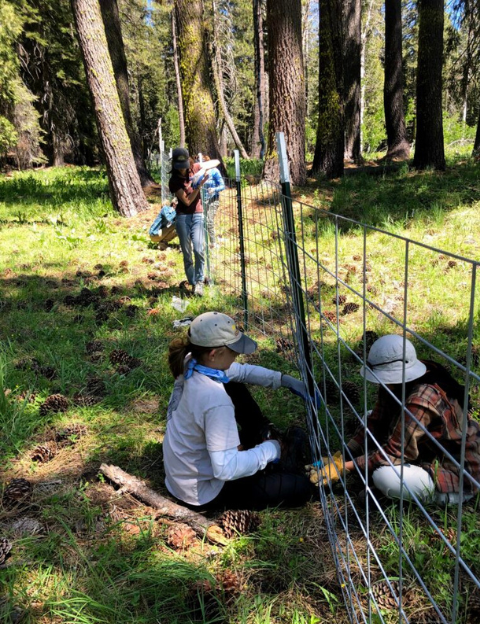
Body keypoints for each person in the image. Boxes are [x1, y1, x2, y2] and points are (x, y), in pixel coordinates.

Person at [163, 311, 313, 511]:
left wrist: (283, 379)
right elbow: (226, 468)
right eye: (233, 350)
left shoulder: (192, 361)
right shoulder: (215, 400)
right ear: (214, 354)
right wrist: (271, 450)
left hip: (181, 476)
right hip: (203, 493)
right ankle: (276, 451)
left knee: (234, 384)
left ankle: (263, 437)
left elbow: (241, 372)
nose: (237, 355)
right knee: (300, 486)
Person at [318, 334, 480, 505]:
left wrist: (345, 467)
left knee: (384, 477)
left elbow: (393, 453)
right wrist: (343, 455)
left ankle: (434, 497)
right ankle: (399, 487)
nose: (379, 383)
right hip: (427, 448)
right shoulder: (402, 377)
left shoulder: (422, 399)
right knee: (368, 415)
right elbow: (376, 421)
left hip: (455, 472)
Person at [169, 148, 208, 297]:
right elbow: (186, 201)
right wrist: (198, 187)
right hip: (183, 216)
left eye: (185, 165)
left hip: (197, 214)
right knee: (187, 252)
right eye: (180, 167)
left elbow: (214, 163)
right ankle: (192, 282)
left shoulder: (195, 168)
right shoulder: (174, 181)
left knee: (198, 248)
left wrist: (203, 170)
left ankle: (199, 281)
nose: (183, 170)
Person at [201, 155, 225, 249]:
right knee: (202, 221)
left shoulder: (215, 171)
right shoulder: (200, 173)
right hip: (203, 200)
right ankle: (203, 241)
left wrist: (214, 189)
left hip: (213, 199)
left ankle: (213, 243)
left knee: (209, 221)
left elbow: (222, 185)